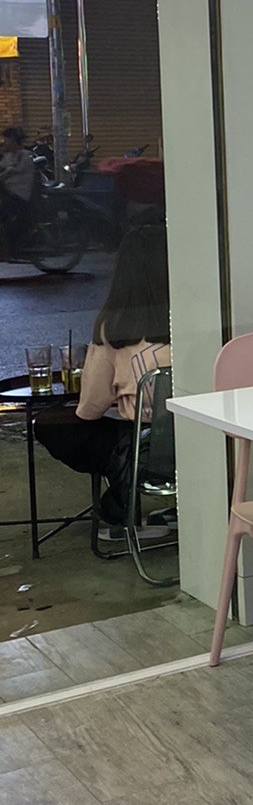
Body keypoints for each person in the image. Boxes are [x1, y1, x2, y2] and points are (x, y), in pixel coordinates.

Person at [35, 222, 171, 541]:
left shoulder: (114, 327)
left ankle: (122, 498)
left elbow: (90, 408)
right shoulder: (199, 316)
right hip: (198, 440)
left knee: (51, 425)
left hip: (145, 448)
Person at [0, 127, 34, 253]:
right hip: (8, 191)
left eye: (6, 140)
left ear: (14, 141)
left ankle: (10, 247)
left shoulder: (24, 156)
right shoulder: (8, 155)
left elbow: (10, 171)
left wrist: (3, 175)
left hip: (19, 194)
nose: (4, 143)